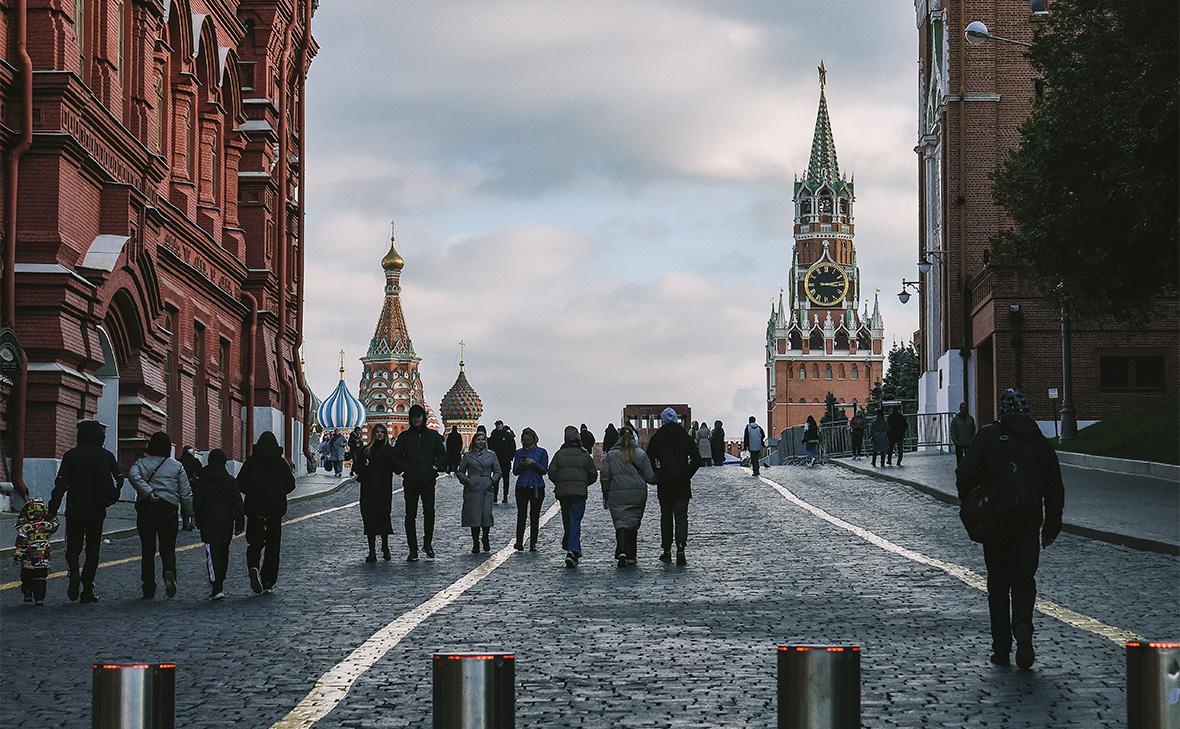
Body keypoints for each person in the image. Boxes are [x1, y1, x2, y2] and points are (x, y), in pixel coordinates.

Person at [956, 388, 1064, 670]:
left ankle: (1001, 648)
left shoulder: (989, 437)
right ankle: (1023, 625)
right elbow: (1054, 488)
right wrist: (1051, 526)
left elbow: (965, 473)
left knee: (998, 585)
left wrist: (972, 503)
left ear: (1003, 412)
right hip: (1029, 521)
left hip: (996, 522)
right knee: (1024, 580)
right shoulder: (1041, 443)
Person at [48, 420, 120, 603]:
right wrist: (112, 496)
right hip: (97, 509)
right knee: (93, 550)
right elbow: (119, 479)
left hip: (75, 509)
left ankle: (73, 571)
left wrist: (52, 510)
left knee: (73, 547)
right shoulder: (106, 455)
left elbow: (60, 485)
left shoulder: (71, 455)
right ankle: (87, 588)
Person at [129, 432, 194, 600]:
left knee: (147, 550)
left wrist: (148, 492)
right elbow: (185, 493)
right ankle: (169, 571)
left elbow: (132, 475)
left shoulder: (141, 463)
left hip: (146, 509)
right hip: (169, 510)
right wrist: (189, 513)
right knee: (168, 547)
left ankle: (148, 587)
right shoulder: (176, 466)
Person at [238, 431, 296, 593]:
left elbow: (240, 483)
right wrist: (277, 492)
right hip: (274, 512)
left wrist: (253, 492)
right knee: (273, 547)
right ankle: (268, 581)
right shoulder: (280, 463)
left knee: (254, 543)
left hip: (255, 510)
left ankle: (253, 566)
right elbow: (291, 485)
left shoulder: (251, 462)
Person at [646, 407, 701, 565]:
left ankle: (667, 549)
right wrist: (687, 474)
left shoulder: (658, 437)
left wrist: (657, 473)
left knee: (666, 517)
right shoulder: (684, 436)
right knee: (681, 516)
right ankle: (681, 547)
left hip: (665, 483)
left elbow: (649, 458)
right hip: (682, 484)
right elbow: (696, 460)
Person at [392, 404, 446, 561]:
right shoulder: (404, 437)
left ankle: (427, 544)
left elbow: (442, 455)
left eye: (419, 416)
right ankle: (413, 549)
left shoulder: (433, 436)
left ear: (424, 418)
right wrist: (405, 469)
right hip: (411, 480)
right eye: (414, 416)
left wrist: (435, 467)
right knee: (410, 515)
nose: (417, 419)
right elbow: (396, 456)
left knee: (429, 512)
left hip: (428, 479)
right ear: (411, 418)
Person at [600, 424, 657, 567]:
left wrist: (606, 492)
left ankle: (621, 551)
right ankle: (632, 554)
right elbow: (650, 477)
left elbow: (605, 477)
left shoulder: (611, 455)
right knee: (633, 522)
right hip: (637, 494)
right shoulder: (641, 454)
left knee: (620, 523)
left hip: (617, 494)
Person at [192, 449, 244, 600]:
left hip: (208, 522)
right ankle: (220, 581)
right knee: (223, 551)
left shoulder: (201, 481)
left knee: (211, 552)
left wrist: (198, 519)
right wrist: (240, 523)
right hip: (226, 522)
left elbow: (197, 503)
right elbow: (238, 504)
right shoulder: (230, 480)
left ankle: (216, 585)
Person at [549, 425, 599, 567]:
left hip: (563, 493)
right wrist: (583, 483)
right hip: (579, 493)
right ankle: (572, 550)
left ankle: (571, 548)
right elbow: (593, 475)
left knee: (567, 520)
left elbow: (552, 472)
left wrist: (560, 482)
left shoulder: (559, 454)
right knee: (575, 520)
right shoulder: (584, 455)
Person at [354, 423, 396, 562]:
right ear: (373, 434)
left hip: (383, 490)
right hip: (368, 490)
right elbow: (357, 468)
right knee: (369, 519)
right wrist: (364, 467)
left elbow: (396, 467)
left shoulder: (389, 451)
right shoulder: (365, 450)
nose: (379, 434)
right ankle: (372, 551)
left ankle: (385, 546)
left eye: (382, 432)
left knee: (384, 517)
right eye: (377, 432)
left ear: (385, 434)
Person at [456, 430, 501, 554]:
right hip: (472, 488)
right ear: (474, 441)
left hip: (486, 487)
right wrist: (466, 480)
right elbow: (460, 471)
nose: (481, 442)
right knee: (474, 516)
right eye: (478, 439)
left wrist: (492, 481)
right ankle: (475, 542)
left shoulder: (491, 455)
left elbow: (498, 471)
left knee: (486, 514)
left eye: (483, 439)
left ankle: (485, 537)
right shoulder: (468, 456)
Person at [13, 498, 59, 606]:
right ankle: (39, 598)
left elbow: (21, 540)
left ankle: (27, 593)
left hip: (28, 558)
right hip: (43, 557)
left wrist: (18, 553)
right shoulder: (47, 525)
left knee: (26, 576)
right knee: (41, 577)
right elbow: (56, 523)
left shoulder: (25, 526)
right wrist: (49, 516)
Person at [512, 427, 550, 552]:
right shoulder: (518, 453)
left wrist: (533, 463)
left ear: (534, 439)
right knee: (521, 515)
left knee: (535, 516)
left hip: (537, 487)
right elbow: (515, 471)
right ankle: (519, 541)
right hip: (522, 487)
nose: (526, 442)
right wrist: (522, 465)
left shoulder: (542, 452)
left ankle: (533, 542)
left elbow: (544, 470)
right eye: (524, 440)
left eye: (528, 440)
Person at [488, 421, 517, 503]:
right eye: (496, 425)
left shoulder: (507, 435)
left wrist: (510, 457)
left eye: (499, 425)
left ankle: (505, 496)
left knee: (506, 480)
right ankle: (495, 496)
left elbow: (512, 447)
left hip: (505, 461)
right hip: (496, 461)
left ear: (501, 425)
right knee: (496, 480)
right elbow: (490, 445)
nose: (498, 427)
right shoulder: (494, 434)